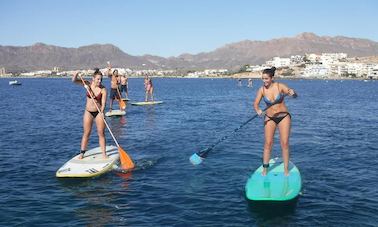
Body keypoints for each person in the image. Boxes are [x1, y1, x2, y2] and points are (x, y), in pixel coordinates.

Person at [253, 67, 297, 176]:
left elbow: (294, 95)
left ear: (272, 78)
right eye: (263, 79)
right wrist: (258, 110)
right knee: (268, 144)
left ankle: (286, 169)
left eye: (266, 79)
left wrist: (293, 93)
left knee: (285, 143)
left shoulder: (279, 86)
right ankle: (265, 169)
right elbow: (256, 103)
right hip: (269, 117)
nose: (264, 81)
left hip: (283, 117)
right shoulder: (262, 90)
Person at [72, 69, 108, 159]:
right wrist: (76, 74)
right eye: (98, 79)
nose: (99, 81)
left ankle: (104, 153)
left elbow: (103, 103)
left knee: (101, 133)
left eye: (101, 79)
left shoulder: (103, 89)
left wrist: (102, 112)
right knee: (86, 133)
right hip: (88, 112)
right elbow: (74, 81)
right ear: (93, 78)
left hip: (99, 112)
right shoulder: (87, 84)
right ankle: (82, 153)